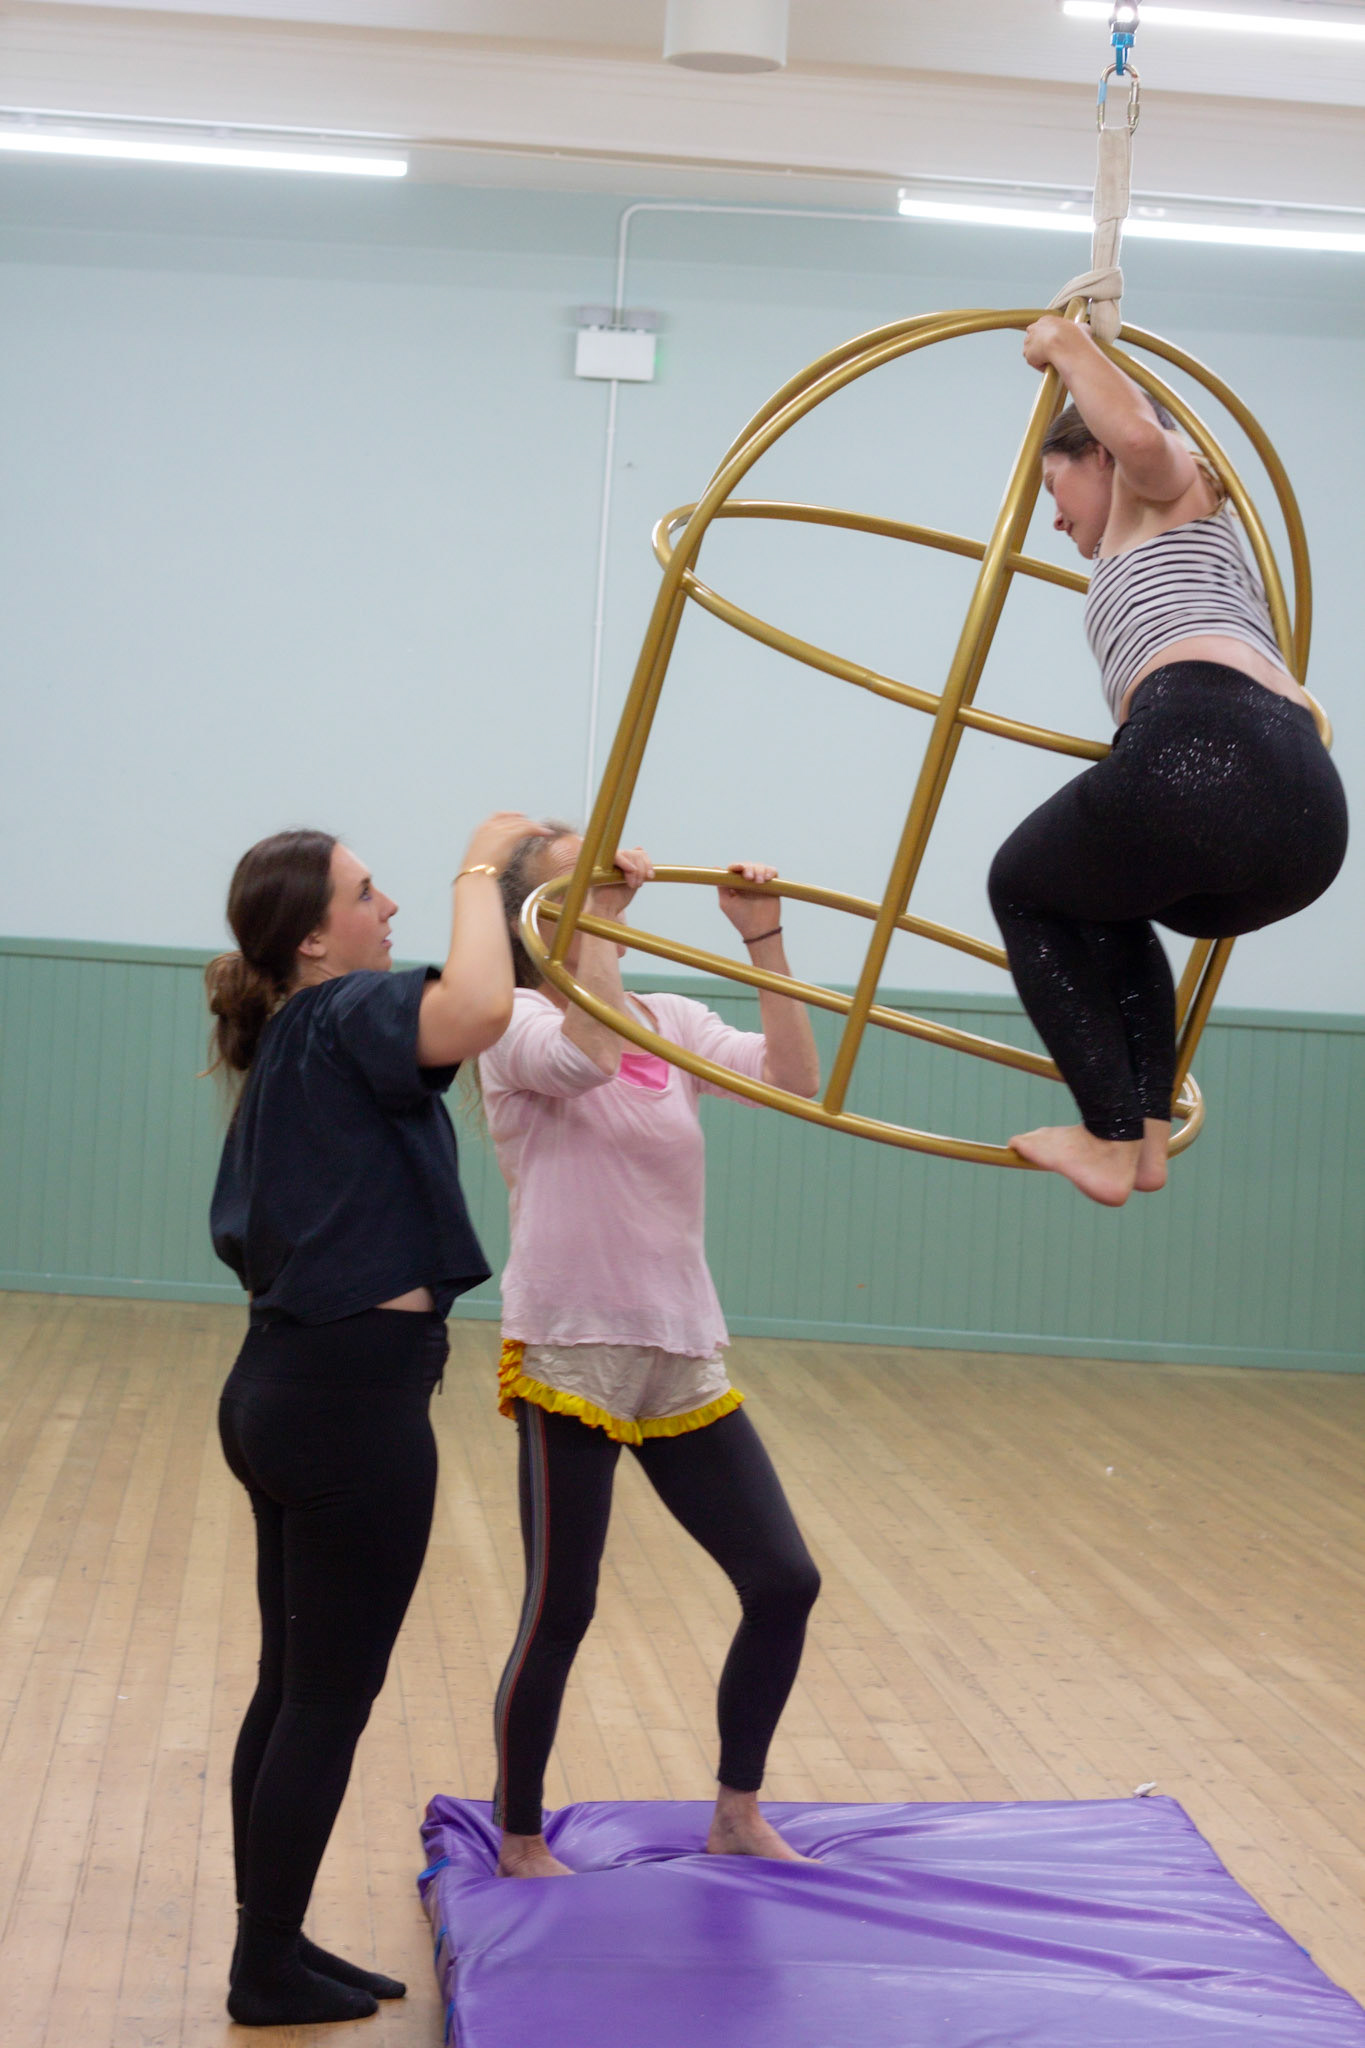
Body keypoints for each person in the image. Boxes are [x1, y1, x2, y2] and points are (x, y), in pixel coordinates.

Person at [206, 812, 547, 2026]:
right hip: (346, 1400)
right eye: (365, 892)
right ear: (313, 938)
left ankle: (271, 1942)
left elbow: (497, 980)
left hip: (287, 1387)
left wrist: (560, 894)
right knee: (324, 1696)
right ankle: (263, 1963)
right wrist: (479, 862)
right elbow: (480, 1007)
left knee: (292, 1683)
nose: (389, 905)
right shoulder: (346, 1008)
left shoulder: (307, 1030)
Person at [478, 829, 824, 1878]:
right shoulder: (513, 1023)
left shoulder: (669, 1020)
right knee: (562, 1605)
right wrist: (596, 925)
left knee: (784, 1580)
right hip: (572, 1349)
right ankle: (520, 1834)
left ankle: (736, 1810)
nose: (620, 879)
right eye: (585, 875)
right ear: (541, 913)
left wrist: (761, 938)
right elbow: (582, 1057)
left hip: (679, 1347)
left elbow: (796, 1079)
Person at [988, 316, 1348, 1206]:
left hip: (1209, 749)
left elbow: (1144, 438)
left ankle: (1107, 1136)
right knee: (1099, 904)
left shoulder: (1164, 493)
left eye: (1053, 482)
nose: (1050, 513)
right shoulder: (1182, 537)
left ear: (1097, 456)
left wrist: (1065, 344)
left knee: (1021, 886)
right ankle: (1140, 1140)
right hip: (1304, 815)